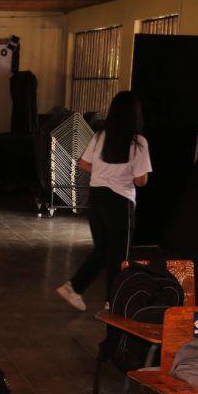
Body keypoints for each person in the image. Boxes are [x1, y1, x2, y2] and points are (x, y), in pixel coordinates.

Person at [56, 91, 151, 312]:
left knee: (103, 250)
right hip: (119, 201)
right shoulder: (138, 142)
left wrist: (105, 171)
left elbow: (84, 164)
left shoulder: (100, 135)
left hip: (97, 198)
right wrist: (125, 174)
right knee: (120, 254)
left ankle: (74, 287)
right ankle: (113, 302)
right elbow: (140, 180)